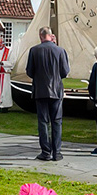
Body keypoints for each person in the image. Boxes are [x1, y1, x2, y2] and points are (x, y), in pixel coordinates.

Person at [25, 26, 69, 161]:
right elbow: (65, 72)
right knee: (57, 122)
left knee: (43, 122)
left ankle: (46, 152)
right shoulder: (60, 51)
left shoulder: (34, 50)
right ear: (51, 35)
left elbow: (29, 71)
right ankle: (57, 152)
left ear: (40, 36)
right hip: (56, 90)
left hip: (40, 90)